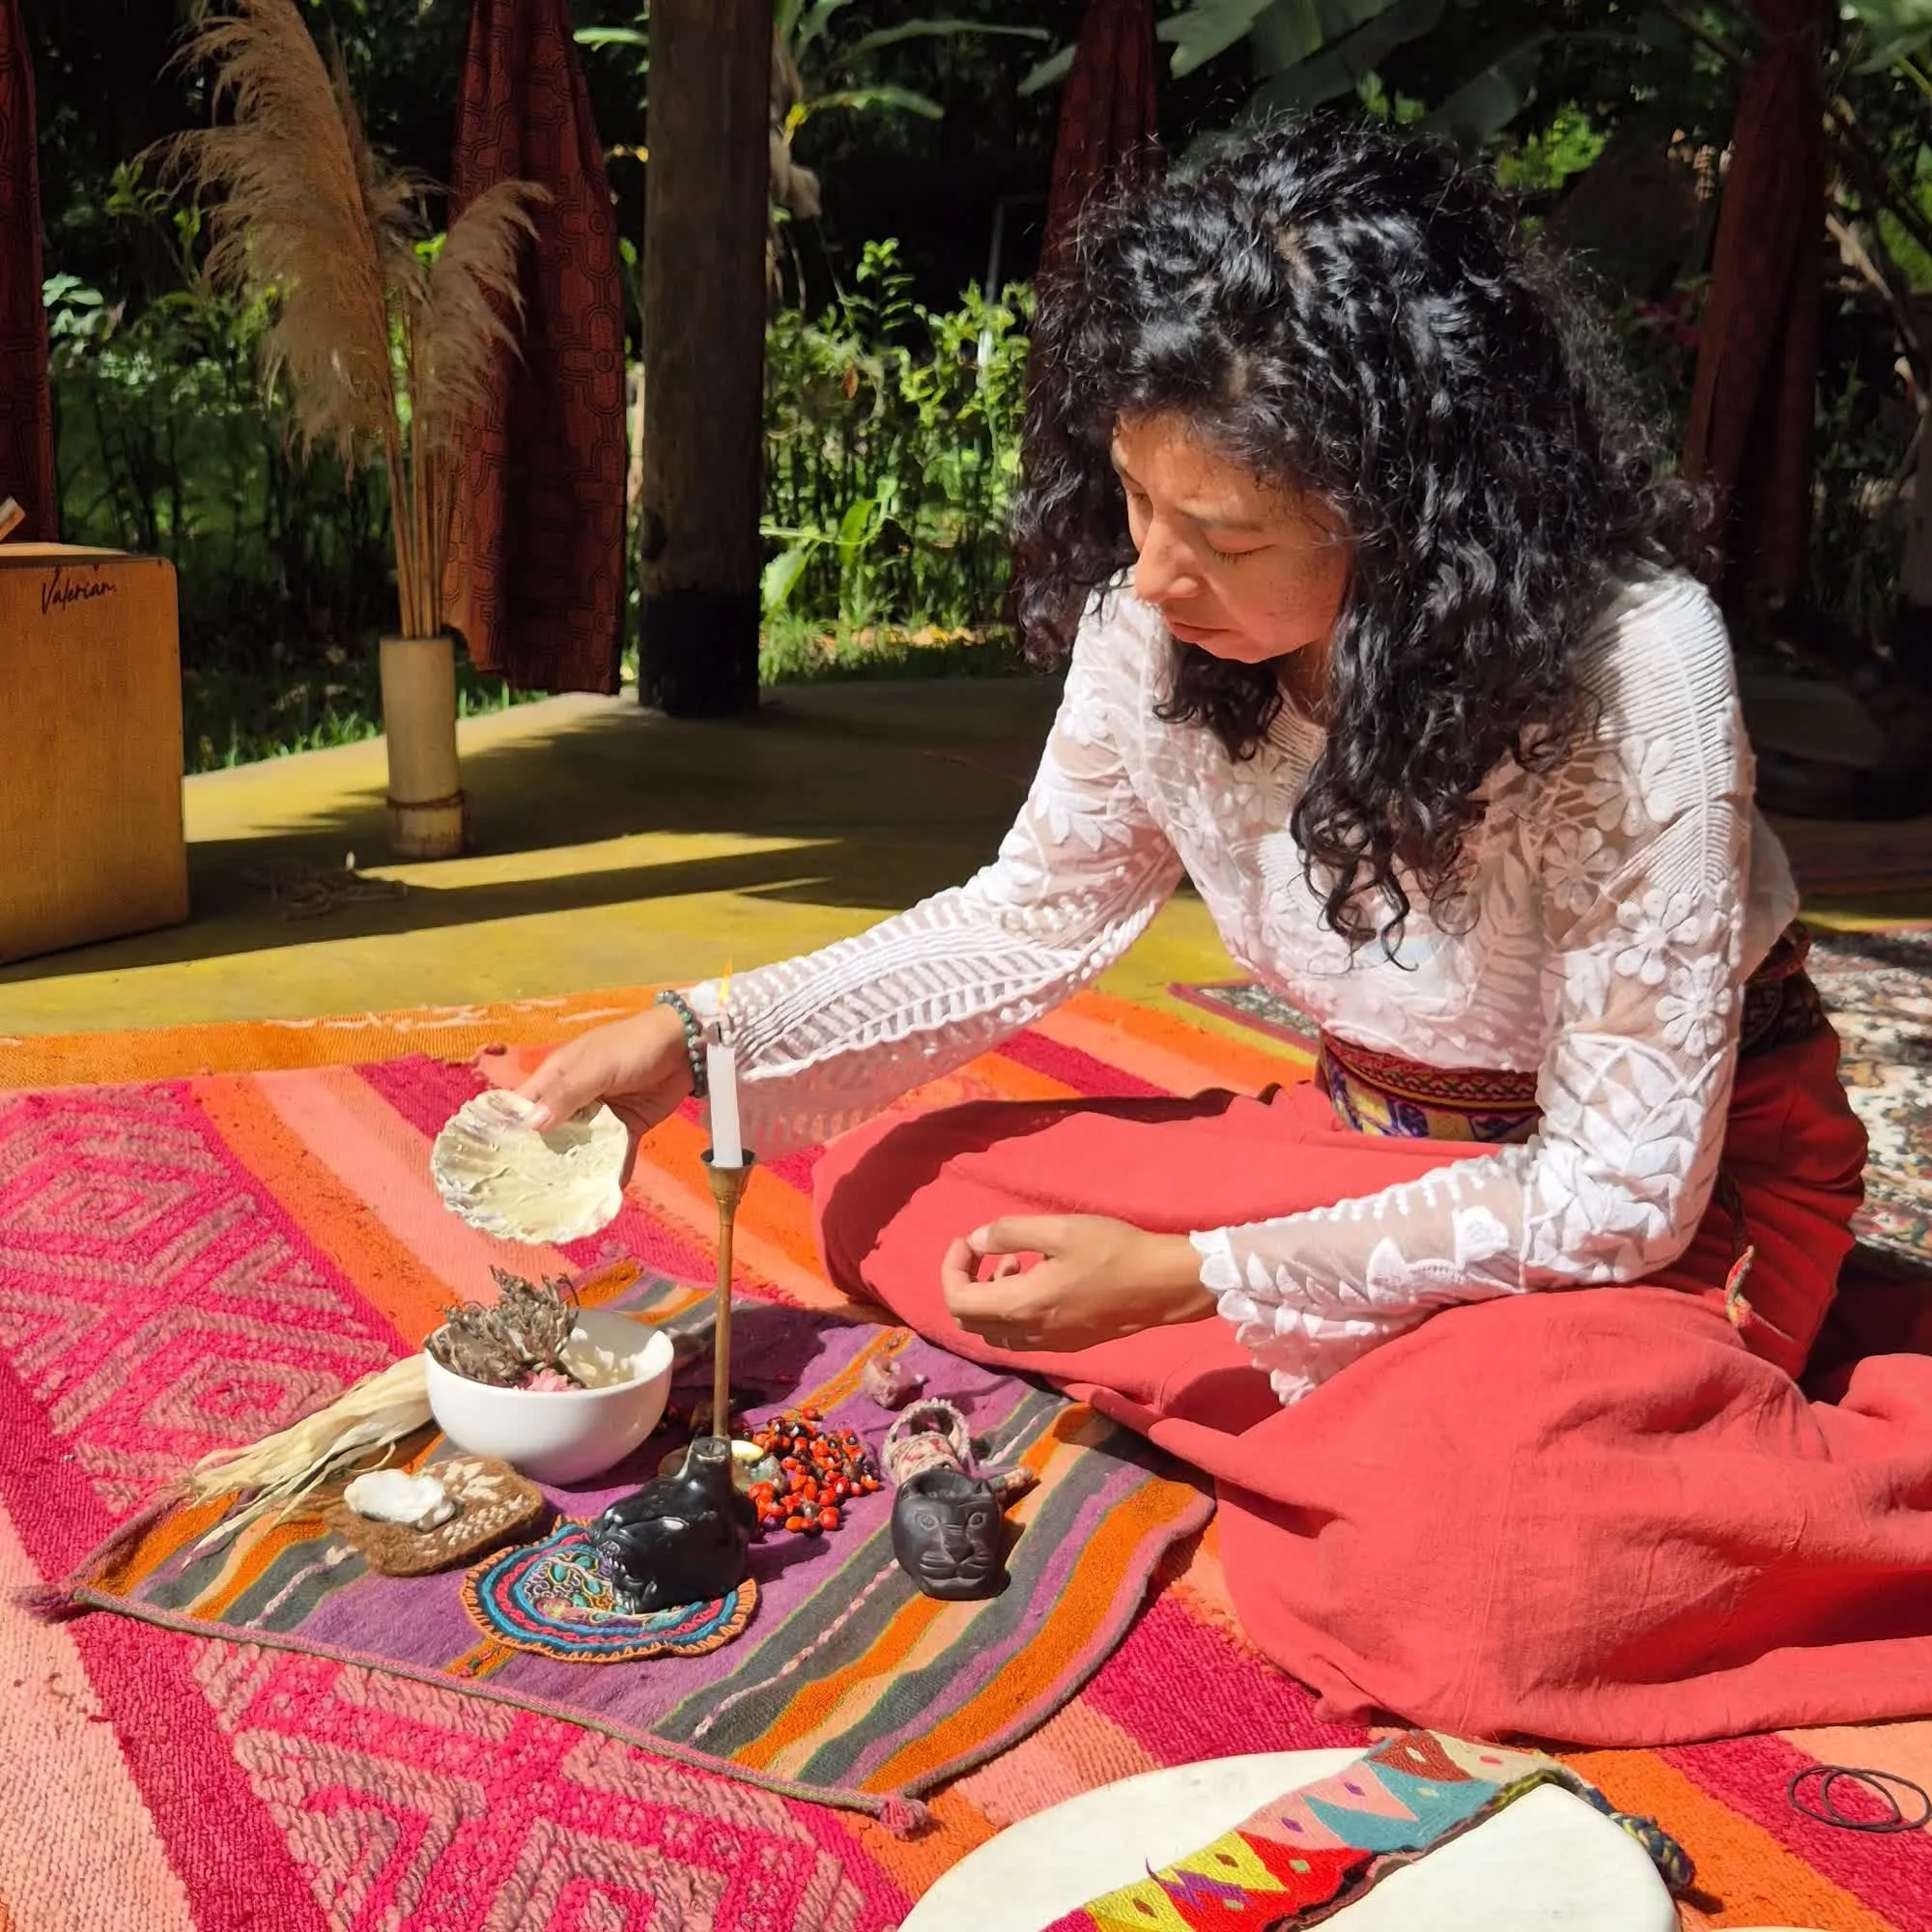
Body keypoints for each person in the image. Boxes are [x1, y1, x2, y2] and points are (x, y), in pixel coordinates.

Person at [522, 121, 1932, 1746]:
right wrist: (700, 1039)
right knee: (902, 1189)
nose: (1157, 570)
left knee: (1484, 1575)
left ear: (1412, 515)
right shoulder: (1149, 628)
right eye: (1135, 497)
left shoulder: (1632, 668)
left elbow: (1617, 1190)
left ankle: (1634, 1445)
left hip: (1668, 1200)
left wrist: (1192, 1278)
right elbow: (1027, 921)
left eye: (1232, 537)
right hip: (1365, 1152)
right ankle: (1359, 1413)